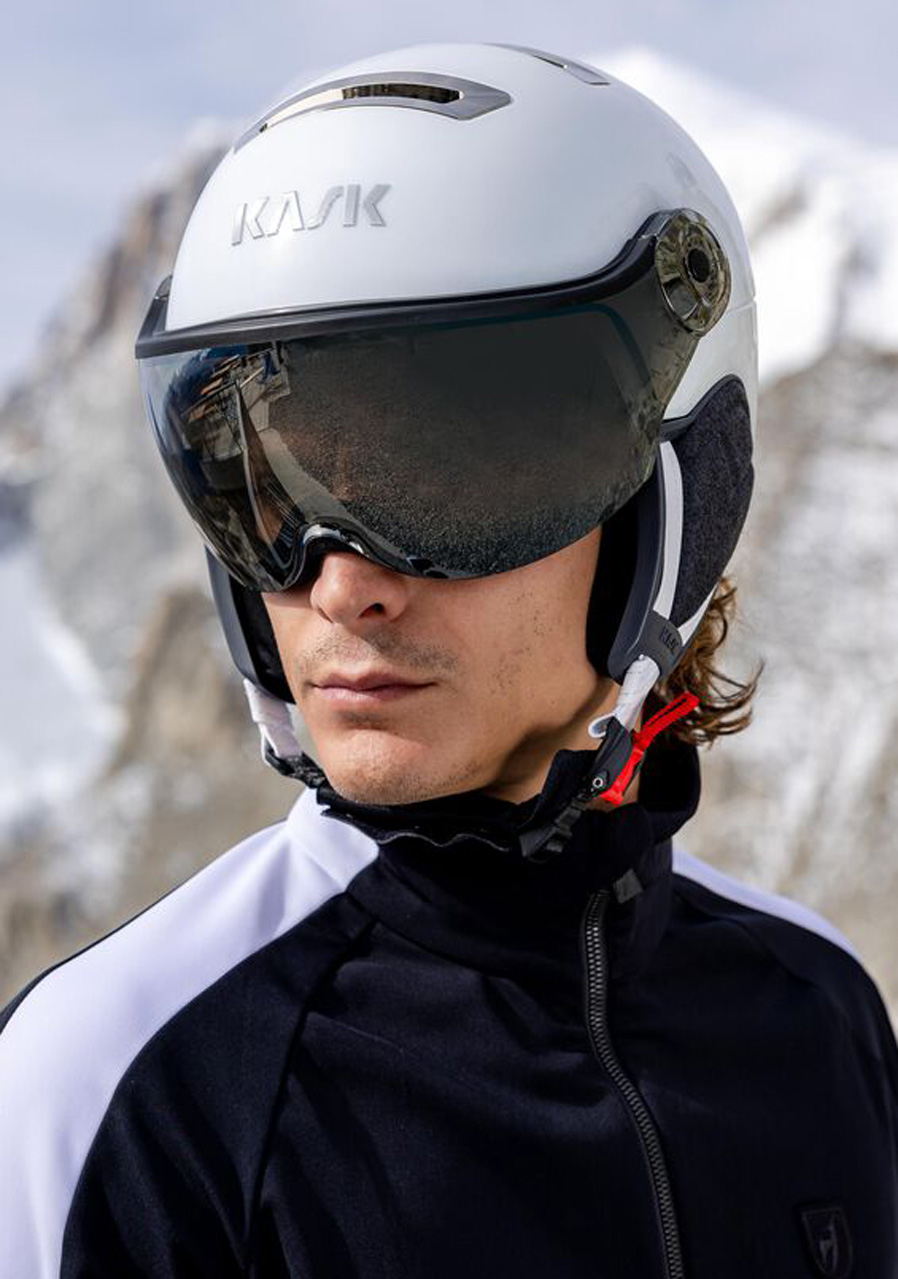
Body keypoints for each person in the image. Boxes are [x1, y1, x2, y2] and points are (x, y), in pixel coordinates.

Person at [2, 40, 896, 1279]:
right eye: (268, 488)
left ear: (672, 503)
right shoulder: (114, 1083)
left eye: (442, 484)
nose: (338, 583)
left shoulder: (818, 1014)